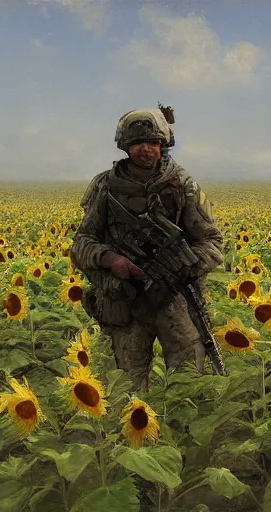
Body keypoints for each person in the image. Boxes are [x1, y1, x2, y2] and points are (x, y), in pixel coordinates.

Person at [70, 107, 224, 394]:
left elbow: (212, 243)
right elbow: (82, 243)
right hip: (126, 301)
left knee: (190, 383)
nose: (146, 149)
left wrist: (183, 265)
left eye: (153, 143)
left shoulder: (183, 186)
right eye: (138, 143)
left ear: (163, 145)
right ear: (126, 147)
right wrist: (111, 259)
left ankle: (183, 436)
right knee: (125, 389)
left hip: (174, 298)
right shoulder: (106, 187)